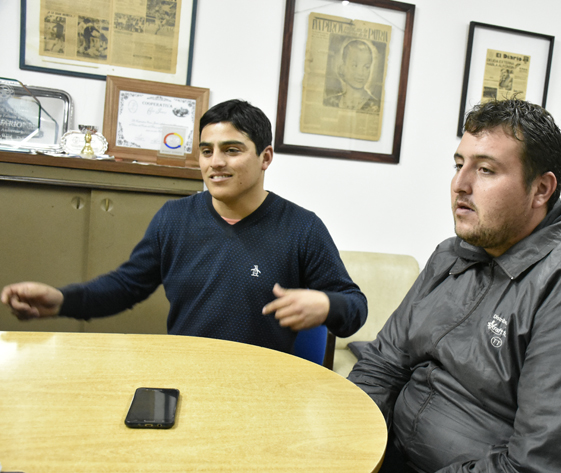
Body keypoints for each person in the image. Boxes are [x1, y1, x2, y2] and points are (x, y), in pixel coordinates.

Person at [348, 99, 561, 473]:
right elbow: (383, 362)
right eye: (459, 165)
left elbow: (540, 468)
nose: (460, 185)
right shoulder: (452, 255)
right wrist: (350, 438)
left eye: (486, 170)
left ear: (541, 189)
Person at [1, 99, 367, 354]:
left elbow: (355, 306)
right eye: (206, 151)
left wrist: (327, 304)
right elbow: (126, 286)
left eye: (232, 150)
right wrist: (62, 300)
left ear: (265, 157)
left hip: (262, 385)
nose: (215, 163)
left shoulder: (301, 228)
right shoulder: (174, 219)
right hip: (183, 375)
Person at [324, 39, 380, 113]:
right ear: (343, 68)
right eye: (354, 65)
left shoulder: (376, 107)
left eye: (366, 67)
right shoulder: (329, 102)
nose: (361, 73)